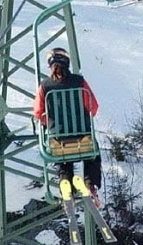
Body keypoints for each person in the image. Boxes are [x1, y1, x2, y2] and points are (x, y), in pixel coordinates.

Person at [33, 47, 102, 200]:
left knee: (64, 158)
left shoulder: (44, 86)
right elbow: (93, 107)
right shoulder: (79, 82)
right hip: (83, 138)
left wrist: (50, 122)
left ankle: (65, 182)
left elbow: (38, 112)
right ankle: (90, 183)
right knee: (93, 155)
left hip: (58, 140)